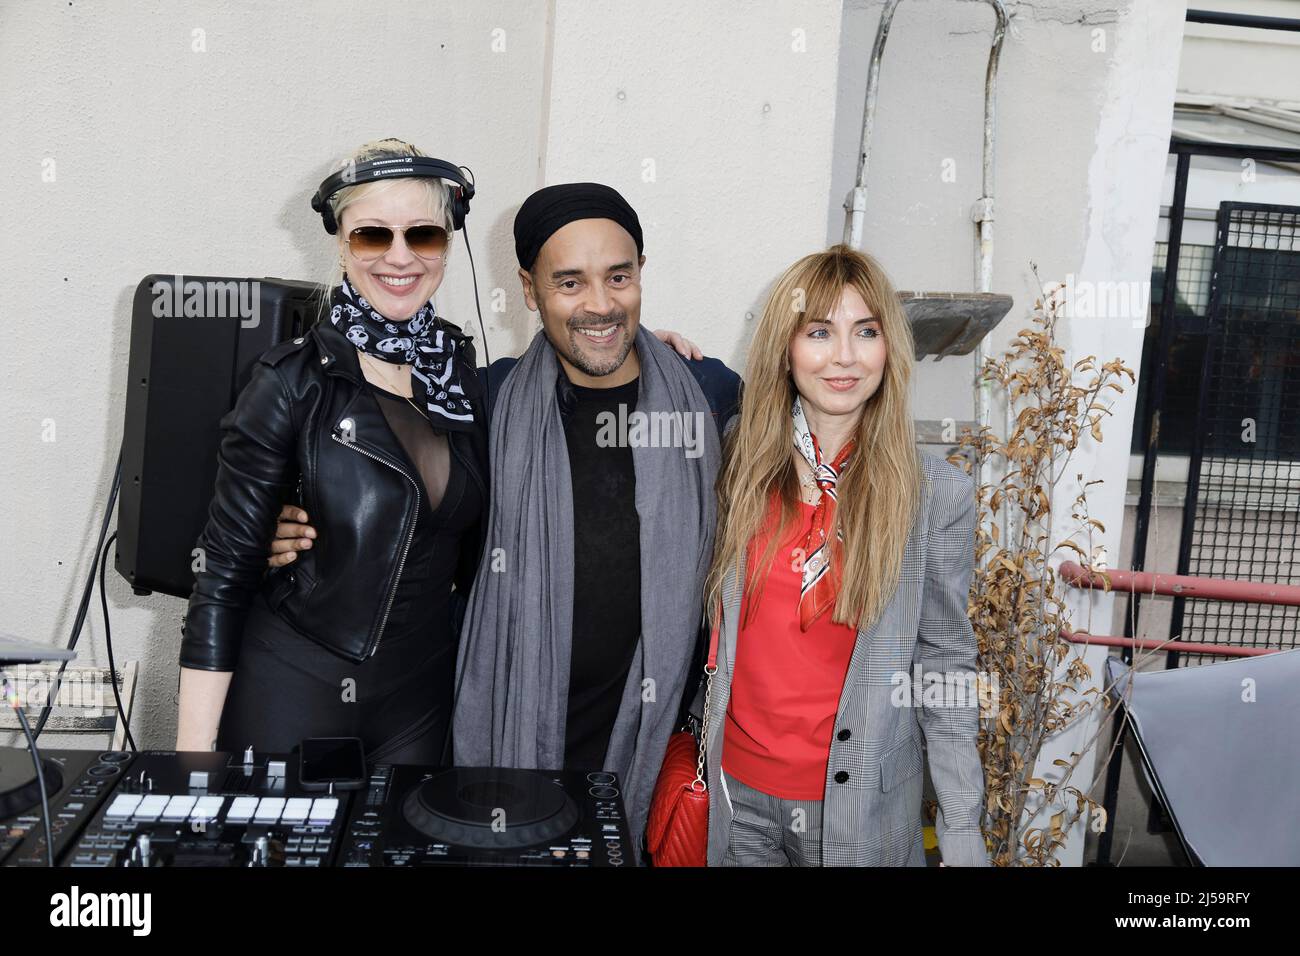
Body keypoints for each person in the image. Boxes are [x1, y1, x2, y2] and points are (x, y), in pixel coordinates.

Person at [271, 183, 741, 862]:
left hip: (648, 734)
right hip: (503, 728)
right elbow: (388, 501)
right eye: (570, 282)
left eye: (619, 277)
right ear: (529, 289)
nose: (601, 305)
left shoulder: (707, 394)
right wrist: (281, 524)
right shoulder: (481, 401)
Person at [176, 138, 490, 763]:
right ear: (340, 243)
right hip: (293, 690)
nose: (400, 257)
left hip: (420, 703)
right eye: (373, 236)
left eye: (422, 234)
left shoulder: (460, 372)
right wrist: (191, 761)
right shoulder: (290, 381)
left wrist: (652, 349)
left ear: (448, 244)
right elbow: (222, 577)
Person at [700, 244, 988, 866]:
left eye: (866, 332)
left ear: (890, 349)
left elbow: (947, 662)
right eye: (820, 332)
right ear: (786, 346)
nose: (845, 358)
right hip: (737, 799)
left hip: (862, 812)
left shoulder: (934, 494)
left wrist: (964, 828)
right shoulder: (734, 466)